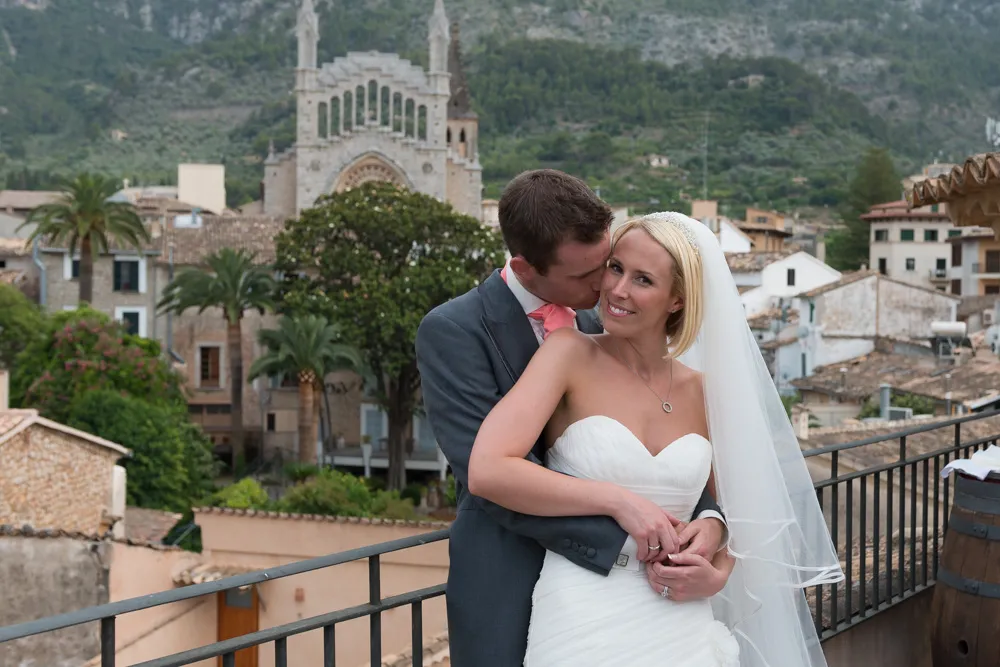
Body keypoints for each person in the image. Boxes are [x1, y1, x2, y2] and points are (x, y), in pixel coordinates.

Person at [467, 211, 845, 667]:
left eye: (642, 279)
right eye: (615, 267)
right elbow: (488, 470)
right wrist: (619, 501)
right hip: (581, 614)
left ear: (677, 301)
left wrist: (718, 572)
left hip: (681, 620)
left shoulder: (704, 392)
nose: (617, 289)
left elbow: (742, 513)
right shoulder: (567, 353)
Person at [415, 171, 730, 667]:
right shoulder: (454, 331)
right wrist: (632, 531)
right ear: (524, 267)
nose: (607, 287)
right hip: (513, 573)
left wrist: (711, 525)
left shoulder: (604, 321)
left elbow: (682, 462)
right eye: (591, 275)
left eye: (608, 266)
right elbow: (487, 479)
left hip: (659, 600)